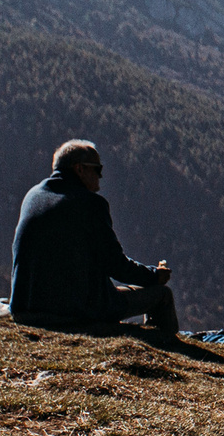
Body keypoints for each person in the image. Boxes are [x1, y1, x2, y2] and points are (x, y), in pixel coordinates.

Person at [9, 139, 179, 332]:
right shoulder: (90, 204)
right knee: (162, 295)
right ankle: (168, 345)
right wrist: (154, 275)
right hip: (73, 311)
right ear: (79, 169)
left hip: (25, 309)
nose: (100, 178)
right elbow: (115, 265)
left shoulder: (33, 196)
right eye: (97, 169)